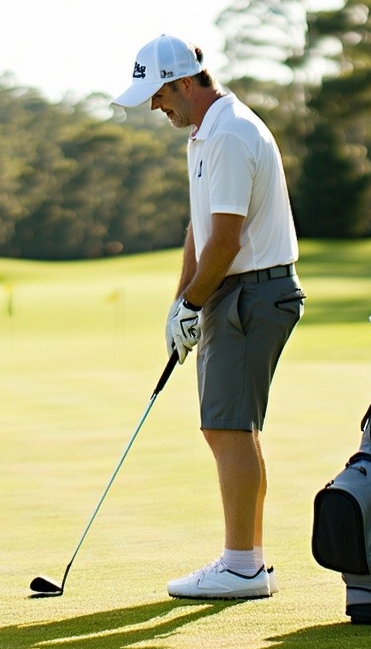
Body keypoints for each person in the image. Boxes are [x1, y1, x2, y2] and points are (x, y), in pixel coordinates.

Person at [113, 35, 304, 600]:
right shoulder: (204, 135)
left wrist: (195, 305)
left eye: (158, 95)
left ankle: (241, 567)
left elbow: (226, 240)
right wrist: (181, 303)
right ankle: (250, 562)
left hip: (251, 291)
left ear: (182, 83)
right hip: (236, 291)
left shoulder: (230, 134)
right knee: (232, 426)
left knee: (227, 427)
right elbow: (200, 228)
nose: (155, 107)